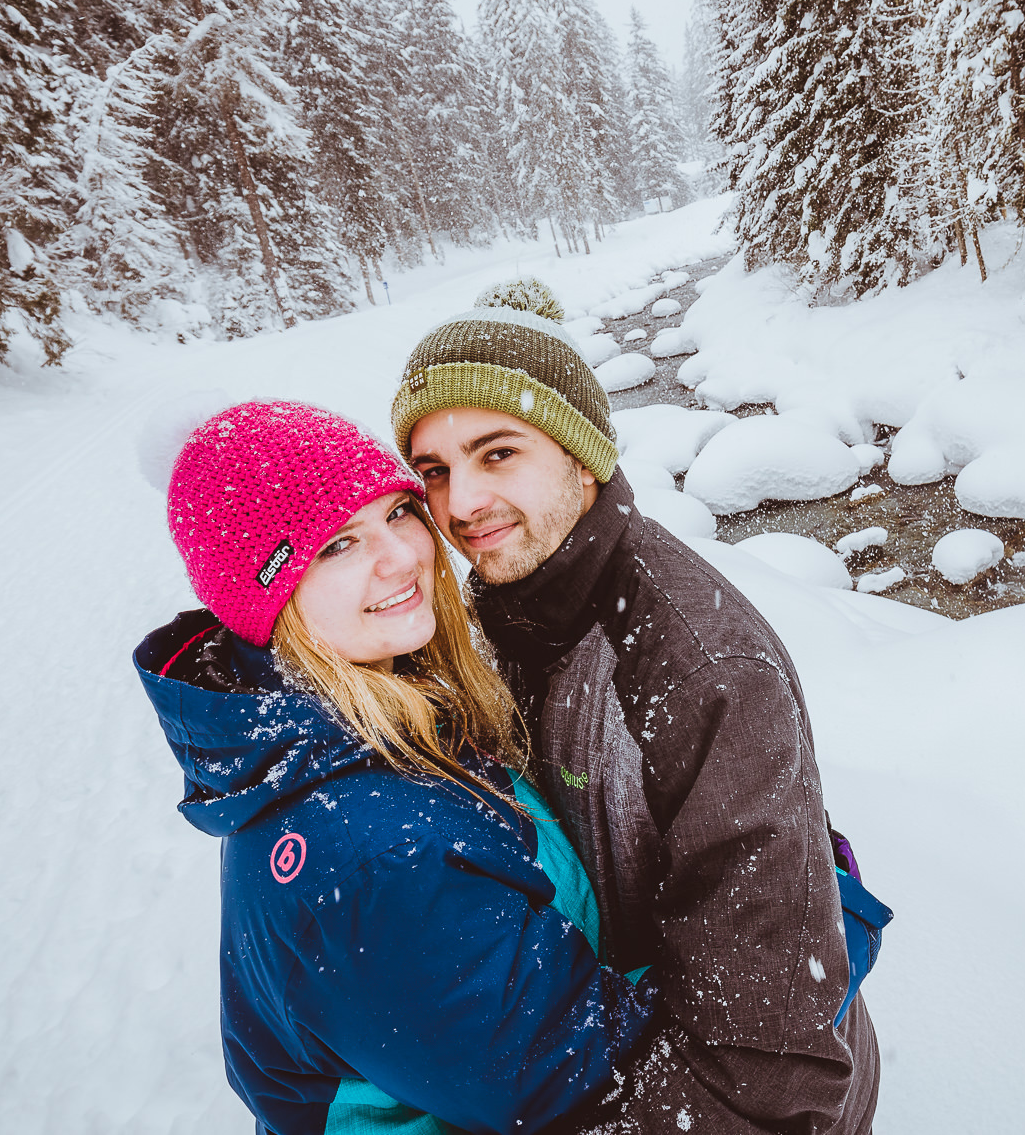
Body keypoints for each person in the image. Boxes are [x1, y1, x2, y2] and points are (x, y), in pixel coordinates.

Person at [394, 291, 888, 1135]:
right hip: (615, 1053)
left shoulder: (702, 670)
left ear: (581, 457)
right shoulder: (500, 608)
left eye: (497, 452)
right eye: (434, 470)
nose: (461, 503)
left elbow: (769, 1065)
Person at [132, 400, 655, 1135]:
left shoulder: (362, 716)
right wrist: (798, 919)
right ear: (267, 598)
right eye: (338, 544)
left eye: (398, 512)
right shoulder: (376, 855)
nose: (403, 555)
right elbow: (589, 1072)